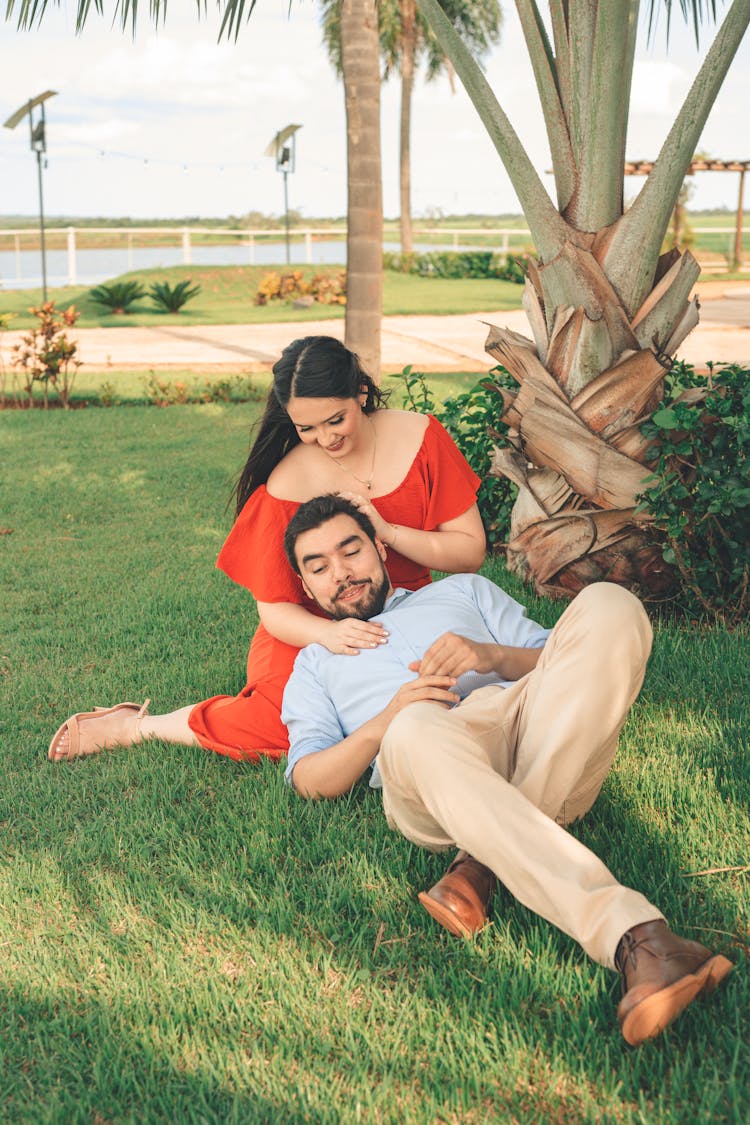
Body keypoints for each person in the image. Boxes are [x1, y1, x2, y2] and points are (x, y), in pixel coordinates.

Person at [280, 494, 733, 1046]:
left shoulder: (460, 591)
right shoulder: (313, 661)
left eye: (350, 551)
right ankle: (633, 933)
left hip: (534, 730)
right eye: (319, 567)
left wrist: (490, 656)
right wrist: (386, 720)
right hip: (429, 761)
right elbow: (308, 778)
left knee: (610, 604)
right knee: (416, 726)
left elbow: (567, 659)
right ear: (307, 588)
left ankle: (482, 864)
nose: (341, 574)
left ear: (378, 548)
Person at [47, 335, 486, 764]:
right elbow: (274, 610)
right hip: (310, 625)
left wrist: (386, 531)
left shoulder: (421, 436)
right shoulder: (287, 482)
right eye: (306, 428)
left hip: (400, 606)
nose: (325, 438)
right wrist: (330, 635)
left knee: (454, 688)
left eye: (336, 420)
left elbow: (469, 553)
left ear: (362, 392)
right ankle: (139, 727)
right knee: (288, 726)